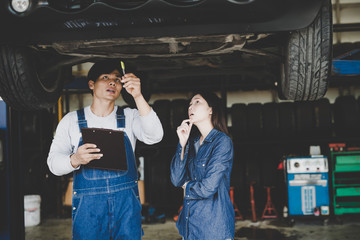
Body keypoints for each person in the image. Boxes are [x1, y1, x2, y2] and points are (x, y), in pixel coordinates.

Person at [47, 59, 163, 240]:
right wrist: (75, 159)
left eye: (117, 79)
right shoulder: (71, 121)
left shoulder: (129, 116)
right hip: (89, 213)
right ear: (91, 84)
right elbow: (53, 164)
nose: (112, 82)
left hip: (126, 210)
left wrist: (138, 97)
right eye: (106, 77)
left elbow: (155, 135)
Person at [170, 91, 235, 240]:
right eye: (190, 104)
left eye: (197, 102)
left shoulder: (222, 142)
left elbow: (208, 188)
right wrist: (182, 143)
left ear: (211, 110)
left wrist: (187, 187)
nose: (191, 107)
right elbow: (176, 179)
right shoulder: (191, 143)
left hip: (213, 227)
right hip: (190, 224)